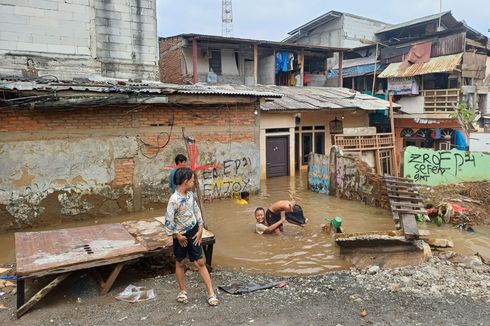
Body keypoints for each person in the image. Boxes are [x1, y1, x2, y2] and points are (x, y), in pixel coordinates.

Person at [163, 167, 219, 306]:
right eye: (192, 180)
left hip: (193, 232)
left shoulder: (190, 195)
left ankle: (211, 293)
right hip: (180, 235)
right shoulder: (174, 200)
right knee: (180, 262)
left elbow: (196, 211)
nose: (194, 183)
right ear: (186, 181)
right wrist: (177, 235)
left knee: (200, 262)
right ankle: (182, 291)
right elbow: (168, 221)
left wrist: (200, 229)